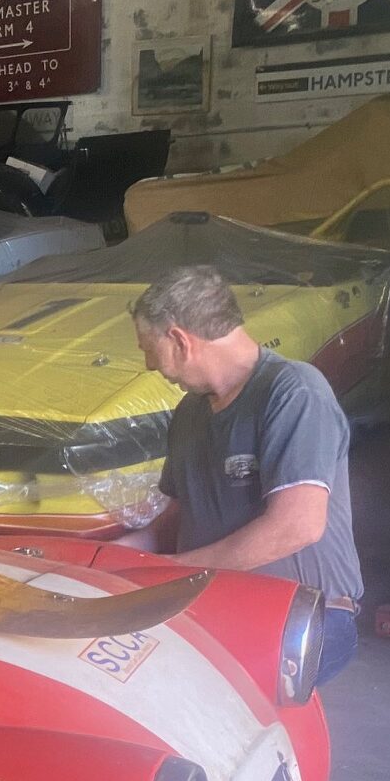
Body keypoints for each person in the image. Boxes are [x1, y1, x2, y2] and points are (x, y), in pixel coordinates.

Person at [122, 265, 365, 684]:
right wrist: (104, 562)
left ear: (180, 340)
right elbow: (173, 521)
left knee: (191, 703)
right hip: (207, 602)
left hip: (299, 612)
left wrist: (175, 570)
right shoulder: (190, 413)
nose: (149, 364)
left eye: (149, 348)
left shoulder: (294, 392)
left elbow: (297, 525)